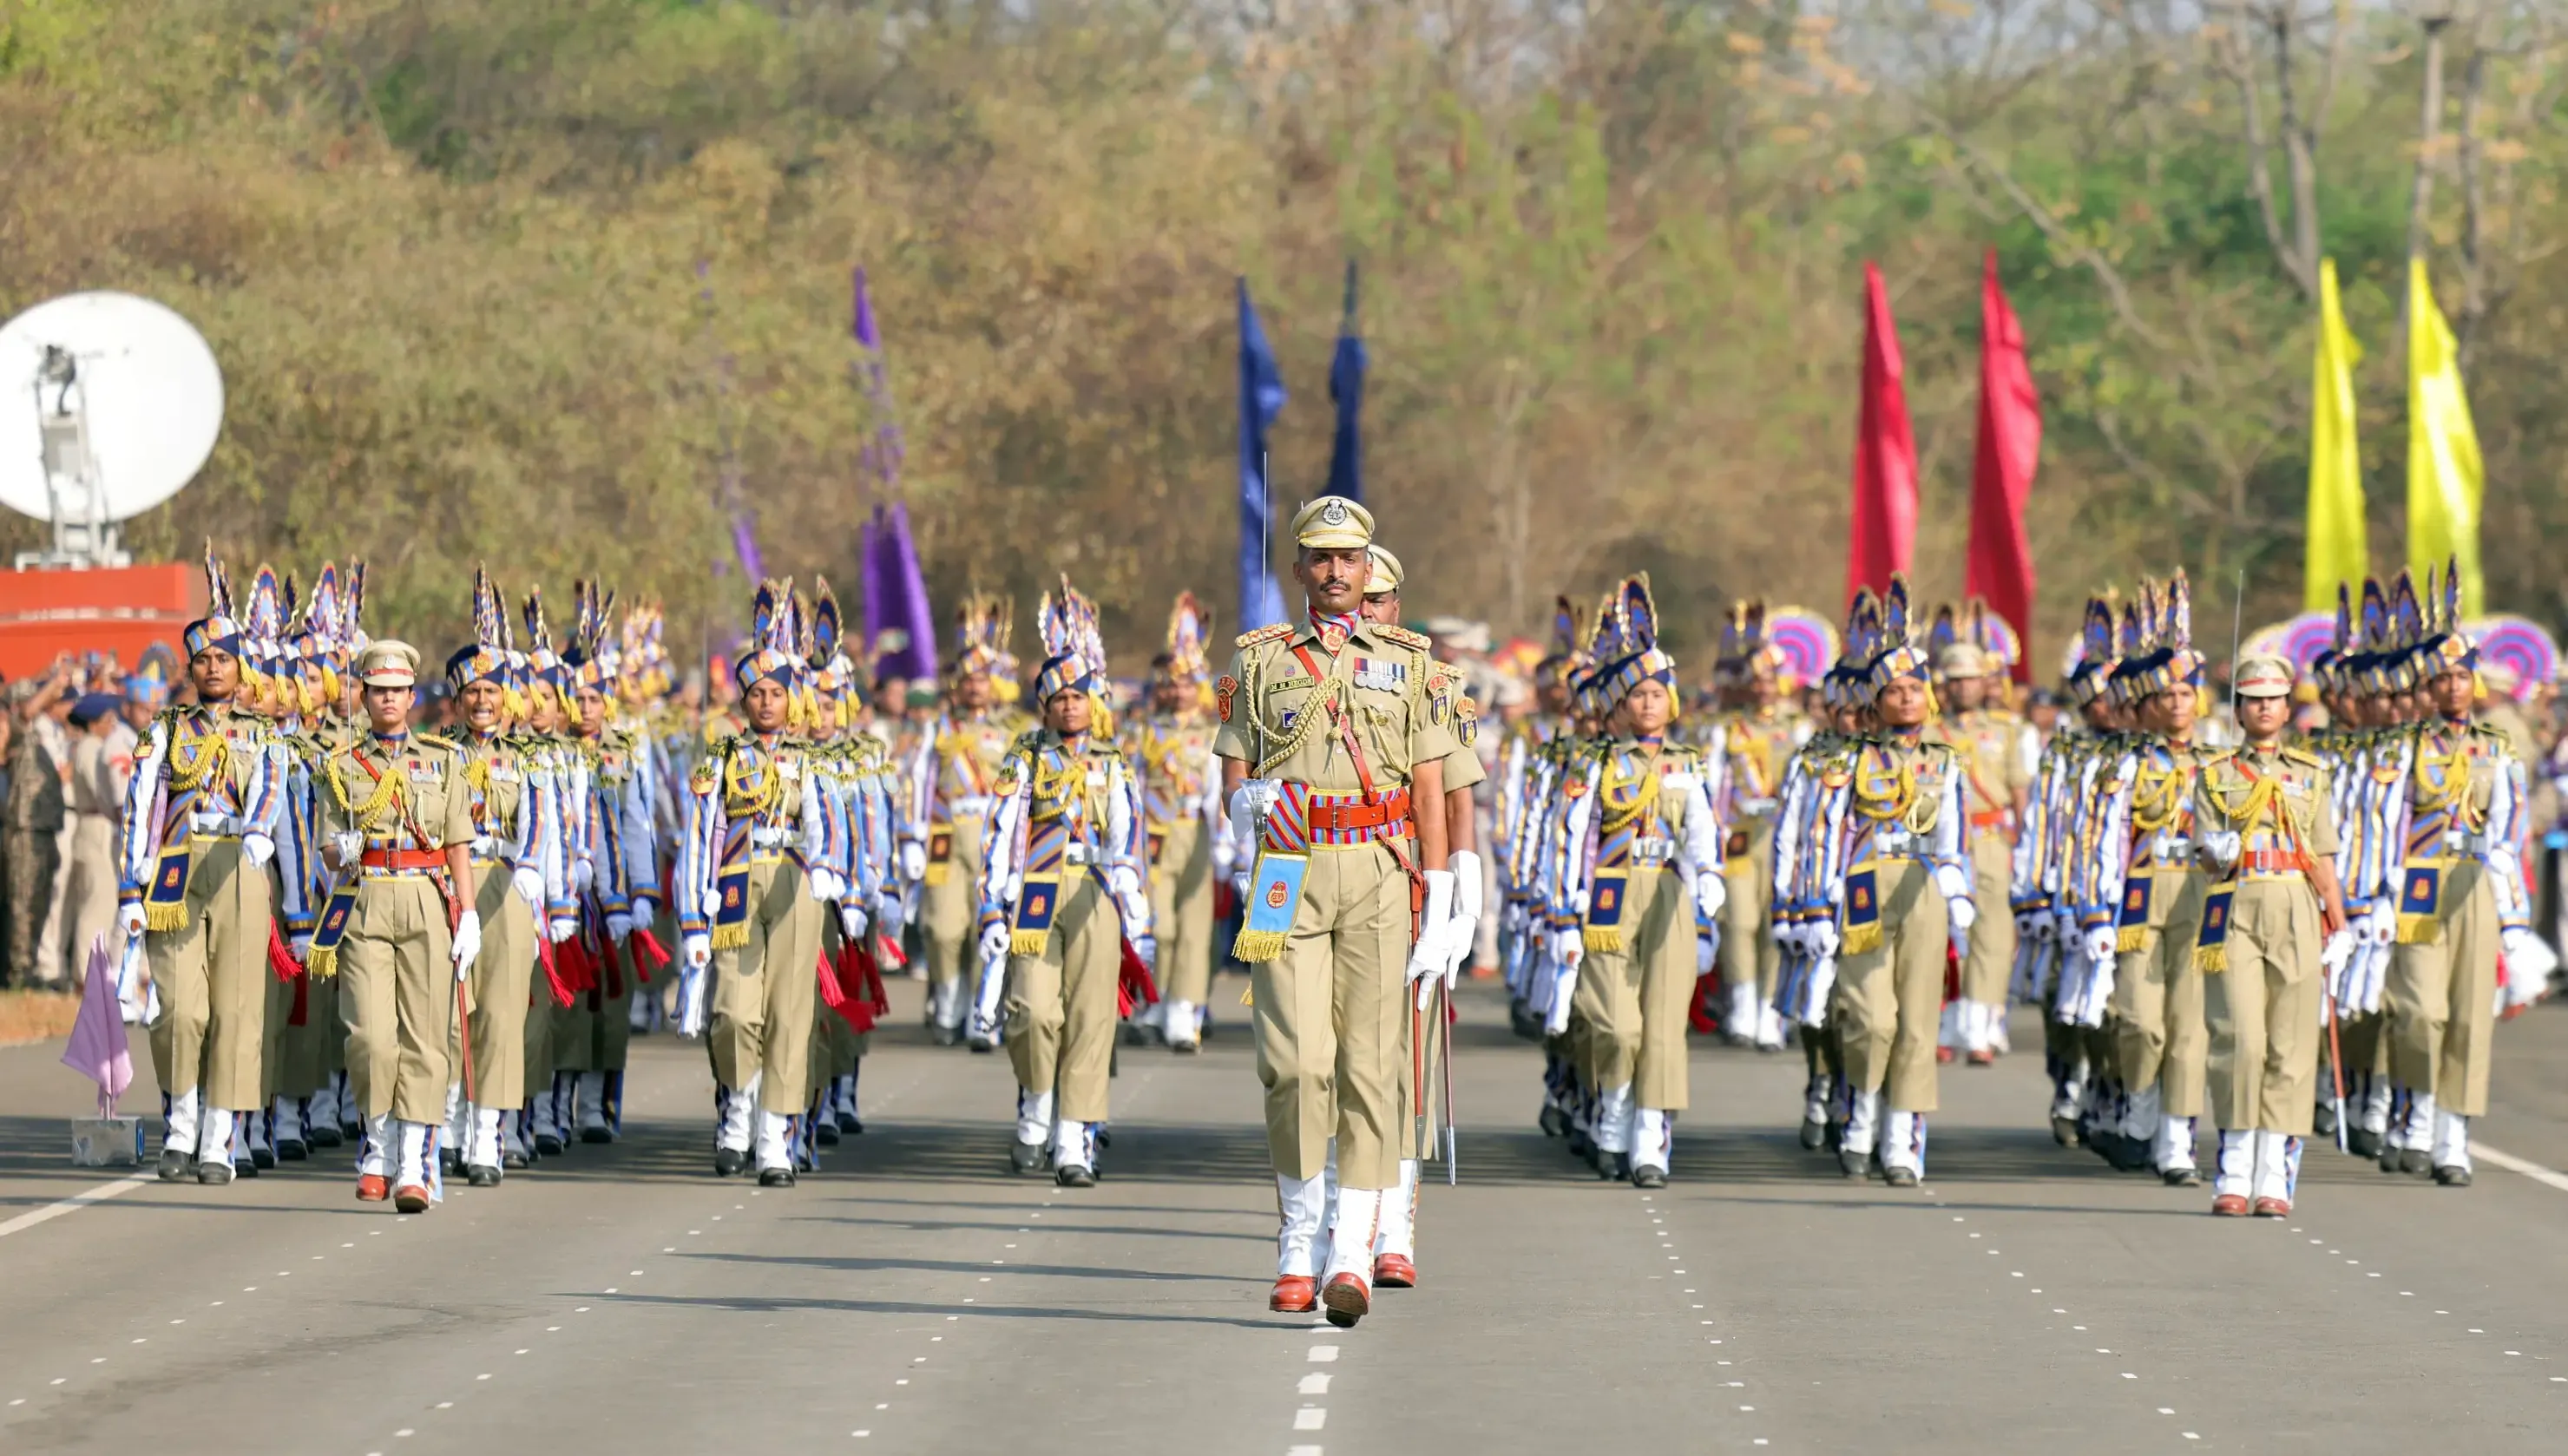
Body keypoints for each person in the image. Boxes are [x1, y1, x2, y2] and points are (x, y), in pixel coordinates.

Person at [1214, 495, 1460, 1327]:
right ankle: (1297, 1237)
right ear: (1298, 572)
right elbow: (1232, 779)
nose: (1334, 570)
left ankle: (1351, 1250)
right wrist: (1252, 806)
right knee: (1293, 1063)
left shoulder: (1410, 661)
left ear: (1367, 566)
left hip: (1382, 868)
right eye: (1319, 557)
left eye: (1348, 557)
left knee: (1369, 1066)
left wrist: (1445, 890)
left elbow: (1429, 783)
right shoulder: (1258, 664)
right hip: (1286, 869)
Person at [969, 577, 1150, 1186]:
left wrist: (1132, 900)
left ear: (1092, 702)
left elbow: (1128, 840)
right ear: (1044, 706)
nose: (1069, 706)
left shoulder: (1112, 764)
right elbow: (999, 833)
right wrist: (991, 906)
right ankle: (1036, 1100)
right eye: (1059, 698)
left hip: (1094, 893)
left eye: (1078, 696)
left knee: (1093, 1017)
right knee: (1031, 1011)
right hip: (1033, 895)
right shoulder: (1023, 760)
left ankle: (1074, 1139)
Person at [2367, 564, 2540, 1186]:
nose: (2451, 687)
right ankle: (2412, 1116)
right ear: (2427, 686)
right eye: (2440, 678)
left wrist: (2515, 923)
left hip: (2475, 886)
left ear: (2474, 683)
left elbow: (2509, 837)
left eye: (2461, 676)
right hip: (2415, 884)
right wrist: (2380, 897)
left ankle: (2451, 1136)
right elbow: (2385, 825)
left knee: (2470, 1015)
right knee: (2418, 1012)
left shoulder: (2497, 748)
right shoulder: (2401, 748)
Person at [120, 549, 286, 1184]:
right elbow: (139, 804)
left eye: (224, 658)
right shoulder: (165, 729)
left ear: (240, 668)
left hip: (241, 864)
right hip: (175, 872)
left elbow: (271, 786)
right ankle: (180, 1125)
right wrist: (131, 885)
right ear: (189, 667)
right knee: (181, 1009)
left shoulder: (262, 732)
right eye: (204, 659)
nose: (213, 668)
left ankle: (219, 1138)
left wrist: (260, 833)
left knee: (237, 1009)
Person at [1551, 575, 1723, 1188]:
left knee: (1663, 1022)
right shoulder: (1594, 763)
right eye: (1637, 695)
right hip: (1607, 895)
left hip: (1668, 893)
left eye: (1658, 693)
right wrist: (1564, 905)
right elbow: (1573, 835)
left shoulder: (1685, 764)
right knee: (1614, 1023)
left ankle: (1650, 1138)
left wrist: (1708, 885)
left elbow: (1701, 830)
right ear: (1618, 705)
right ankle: (1612, 1113)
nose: (1648, 703)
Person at [1811, 578, 1973, 1185]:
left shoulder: (1944, 760)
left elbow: (1952, 835)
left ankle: (1903, 1136)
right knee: (1869, 1015)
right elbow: (1829, 828)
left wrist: (1957, 892)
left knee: (1916, 1019)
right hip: (1861, 884)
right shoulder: (1849, 759)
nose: (1905, 698)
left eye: (1913, 688)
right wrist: (1819, 895)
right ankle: (1859, 1115)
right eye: (1893, 690)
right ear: (1873, 702)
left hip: (1923, 883)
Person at [676, 580, 835, 1186]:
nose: (765, 702)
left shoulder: (806, 759)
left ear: (791, 700)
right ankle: (736, 1110)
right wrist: (694, 917)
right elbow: (698, 837)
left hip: (792, 883)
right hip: (735, 885)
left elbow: (823, 825)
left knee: (789, 1016)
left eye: (775, 693)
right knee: (733, 1014)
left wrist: (823, 867)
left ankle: (775, 1138)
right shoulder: (719, 758)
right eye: (756, 693)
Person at [314, 639, 479, 1212]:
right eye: (377, 690)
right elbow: (329, 853)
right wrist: (342, 847)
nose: (387, 700)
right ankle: (376, 1149)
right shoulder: (339, 764)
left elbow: (457, 842)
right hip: (365, 900)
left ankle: (413, 1163)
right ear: (363, 695)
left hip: (426, 899)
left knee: (426, 1039)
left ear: (412, 696)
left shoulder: (441, 760)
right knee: (368, 1037)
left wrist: (470, 912)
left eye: (397, 691)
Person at [2192, 652, 2350, 1217]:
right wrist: (2218, 851)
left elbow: (2323, 857)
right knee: (2239, 1036)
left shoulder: (2310, 774)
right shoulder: (2214, 776)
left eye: (2272, 698)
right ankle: (2233, 1169)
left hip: (2295, 902)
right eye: (2251, 699)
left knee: (2289, 1042)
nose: (2263, 708)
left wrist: (2339, 920)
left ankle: (2275, 1175)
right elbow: (2205, 857)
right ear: (2237, 710)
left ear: (2287, 708)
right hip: (2235, 901)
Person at [2086, 575, 2212, 1184]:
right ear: (2151, 703)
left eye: (2188, 692)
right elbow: (2103, 840)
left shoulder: (2222, 763)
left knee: (2189, 1026)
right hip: (2139, 893)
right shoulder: (2125, 762)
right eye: (2168, 694)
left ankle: (2177, 1139)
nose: (2178, 703)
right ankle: (2137, 1110)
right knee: (2139, 1019)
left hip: (2200, 893)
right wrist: (2094, 914)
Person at [909, 594, 1026, 1045]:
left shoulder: (1017, 728)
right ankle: (949, 993)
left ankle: (986, 1006)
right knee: (942, 927)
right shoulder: (939, 727)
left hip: (996, 835)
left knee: (990, 923)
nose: (974, 686)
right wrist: (914, 838)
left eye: (983, 678)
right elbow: (919, 778)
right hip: (946, 832)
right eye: (967, 678)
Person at [1928, 605, 2031, 1066]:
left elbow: (2019, 790)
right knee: (1944, 933)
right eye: (1956, 679)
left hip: (1991, 841)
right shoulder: (1930, 731)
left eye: (1971, 678)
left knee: (1992, 932)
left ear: (1985, 682)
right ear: (1943, 684)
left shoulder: (2007, 730)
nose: (1964, 686)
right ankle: (1943, 1022)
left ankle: (1983, 1026)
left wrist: (2025, 846)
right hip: (1945, 845)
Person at [1704, 602, 1808, 1050]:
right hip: (1741, 836)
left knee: (1776, 922)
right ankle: (1742, 1004)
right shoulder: (1726, 729)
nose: (1764, 688)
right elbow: (1709, 787)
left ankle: (1770, 1009)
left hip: (1785, 837)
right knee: (1739, 921)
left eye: (1770, 679)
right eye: (1756, 680)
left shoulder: (1800, 727)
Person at [1126, 592, 1224, 1053]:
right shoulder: (1144, 731)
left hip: (1196, 832)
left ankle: (1185, 1010)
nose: (1178, 691)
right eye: (1171, 682)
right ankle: (1153, 999)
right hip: (1154, 836)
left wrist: (1227, 842)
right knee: (1156, 923)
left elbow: (1223, 788)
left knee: (1194, 926)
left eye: (1187, 683)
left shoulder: (1213, 733)